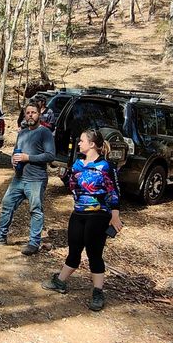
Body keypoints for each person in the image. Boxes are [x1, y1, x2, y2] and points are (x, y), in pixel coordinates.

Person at [42, 129, 122, 312]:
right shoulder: (78, 164)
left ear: (92, 144)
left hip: (98, 214)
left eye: (82, 140)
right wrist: (65, 177)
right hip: (78, 213)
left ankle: (97, 292)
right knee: (74, 250)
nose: (79, 143)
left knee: (94, 253)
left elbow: (114, 191)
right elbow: (72, 187)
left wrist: (115, 214)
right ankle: (60, 282)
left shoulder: (106, 166)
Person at [0, 102, 56, 255]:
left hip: (36, 179)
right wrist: (13, 160)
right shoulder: (22, 133)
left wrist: (27, 157)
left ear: (39, 114)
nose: (30, 115)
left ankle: (34, 243)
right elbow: (16, 151)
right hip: (19, 177)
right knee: (7, 203)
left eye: (33, 112)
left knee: (35, 210)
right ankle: (0, 237)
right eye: (27, 112)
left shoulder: (45, 133)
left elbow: (50, 156)